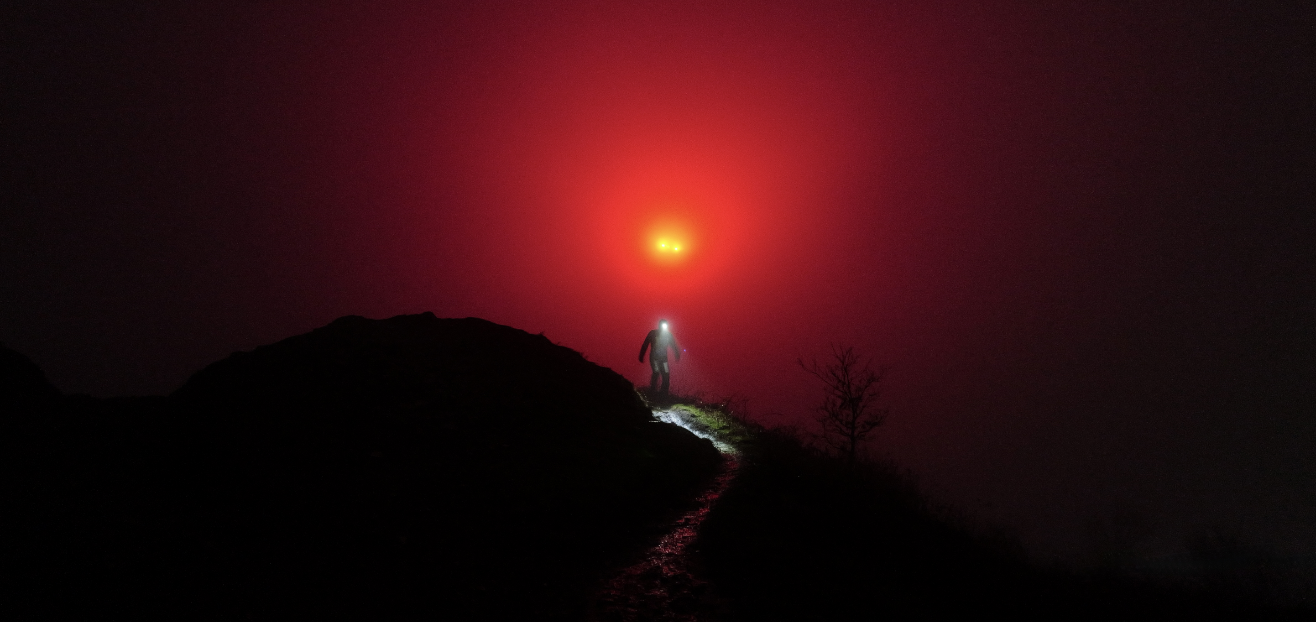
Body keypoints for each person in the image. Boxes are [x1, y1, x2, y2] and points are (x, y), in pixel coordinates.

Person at [638, 319, 681, 395]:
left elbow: (673, 345)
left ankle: (664, 394)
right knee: (656, 372)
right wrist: (641, 355)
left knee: (666, 374)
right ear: (659, 325)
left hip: (664, 359)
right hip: (654, 358)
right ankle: (652, 391)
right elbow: (645, 344)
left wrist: (677, 354)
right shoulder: (653, 333)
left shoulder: (668, 335)